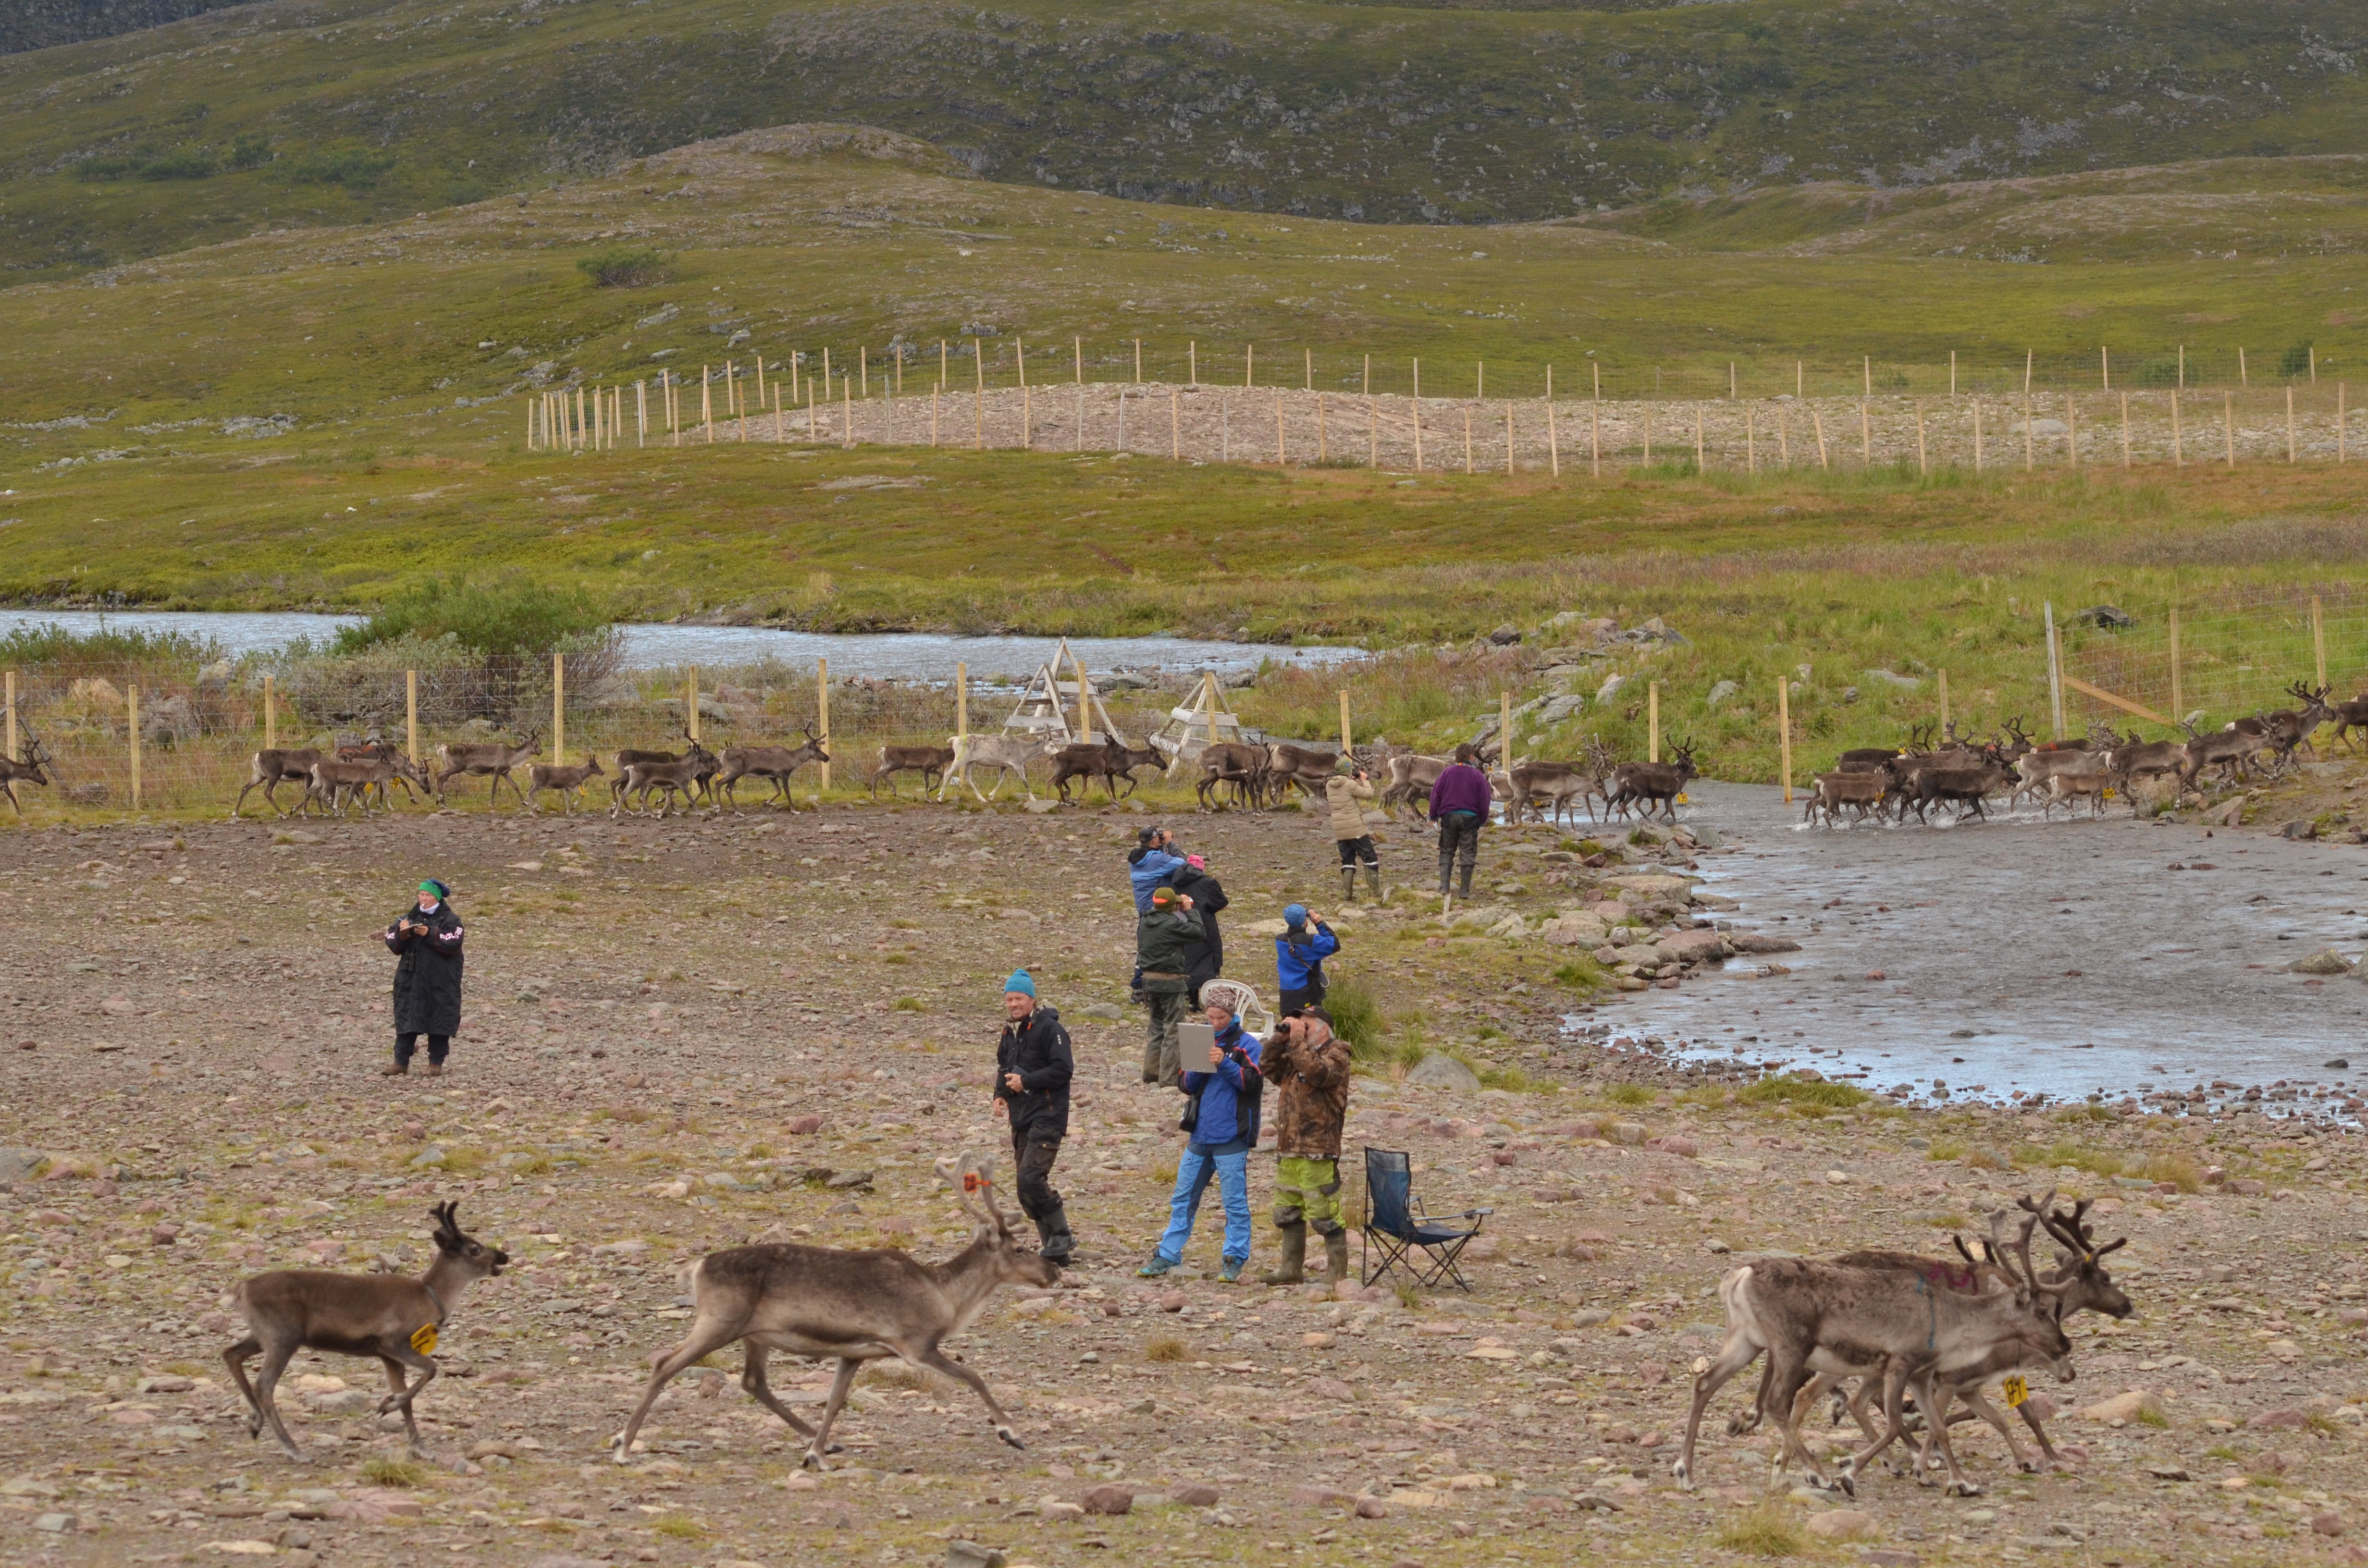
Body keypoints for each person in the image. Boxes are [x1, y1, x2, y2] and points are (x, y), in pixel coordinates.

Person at [1139, 986, 1262, 1282]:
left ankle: (1234, 1258)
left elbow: (1253, 1084)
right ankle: (1168, 1254)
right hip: (1200, 1134)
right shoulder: (1199, 1038)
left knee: (1234, 1202)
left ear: (1232, 1016)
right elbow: (1186, 1085)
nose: (1214, 1022)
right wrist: (1200, 1066)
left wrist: (1225, 1064)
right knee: (1183, 1198)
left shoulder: (1247, 1044)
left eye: (1220, 1017)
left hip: (1232, 1135)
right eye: (1210, 1016)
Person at [1256, 1004, 1355, 1286]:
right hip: (1289, 1146)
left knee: (1324, 1212)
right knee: (1287, 1210)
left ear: (1324, 1028)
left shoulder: (1338, 1054)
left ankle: (1338, 1276)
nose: (1301, 1029)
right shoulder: (1297, 1054)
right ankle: (1290, 1270)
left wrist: (1297, 1042)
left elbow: (1318, 1074)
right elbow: (1268, 1067)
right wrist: (1280, 1039)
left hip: (1318, 1148)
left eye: (1306, 1025)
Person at [993, 970, 1075, 1266]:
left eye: (1019, 998)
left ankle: (1062, 1236)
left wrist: (1026, 1082)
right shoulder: (1009, 1032)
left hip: (1048, 1115)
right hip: (1021, 1117)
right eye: (1009, 999)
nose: (1013, 1004)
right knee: (1024, 1188)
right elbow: (1005, 1067)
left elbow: (1063, 1070)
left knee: (1031, 1178)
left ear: (1032, 999)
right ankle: (1055, 1251)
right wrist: (1000, 1094)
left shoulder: (1050, 1029)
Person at [382, 879, 464, 1077]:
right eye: (421, 894)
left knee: (439, 1018)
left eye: (428, 895)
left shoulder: (451, 920)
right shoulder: (407, 918)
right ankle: (401, 1061)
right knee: (406, 1016)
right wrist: (403, 934)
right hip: (410, 978)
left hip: (441, 980)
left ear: (437, 897)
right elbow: (391, 940)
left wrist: (431, 933)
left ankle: (435, 1063)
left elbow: (453, 942)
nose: (423, 898)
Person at [1136, 883, 1202, 1087]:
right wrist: (1189, 910)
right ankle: (1169, 1078)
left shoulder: (1145, 922)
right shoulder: (1172, 925)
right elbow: (1199, 932)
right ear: (1172, 907)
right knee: (1173, 1030)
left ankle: (1151, 1072)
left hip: (1149, 981)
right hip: (1171, 983)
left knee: (1156, 1027)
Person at [1428, 744, 1493, 899]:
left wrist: (1433, 816)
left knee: (1446, 851)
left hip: (1449, 817)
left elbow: (1436, 795)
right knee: (1468, 853)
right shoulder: (1477, 776)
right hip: (1470, 819)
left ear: (1456, 757)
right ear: (1471, 757)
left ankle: (1444, 888)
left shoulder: (1447, 773)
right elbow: (1485, 801)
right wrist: (1482, 820)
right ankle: (1464, 891)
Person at [1166, 851, 1228, 1004]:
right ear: (1201, 868)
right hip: (1205, 925)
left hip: (1181, 925)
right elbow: (1221, 902)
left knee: (1187, 960)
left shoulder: (1174, 882)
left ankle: (1191, 999)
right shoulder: (1208, 883)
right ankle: (1207, 1000)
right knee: (1207, 959)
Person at [1325, 767, 1381, 902]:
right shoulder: (1350, 784)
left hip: (1339, 829)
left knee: (1348, 860)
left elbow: (1344, 789)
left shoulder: (1329, 785)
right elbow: (1369, 795)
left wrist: (1351, 779)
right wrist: (1364, 780)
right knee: (1370, 857)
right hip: (1355, 828)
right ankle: (1374, 892)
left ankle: (1347, 895)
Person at [1273, 904, 1339, 1017]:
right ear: (1305, 921)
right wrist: (1319, 923)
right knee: (1309, 1030)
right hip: (1306, 995)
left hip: (1286, 995)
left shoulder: (1280, 940)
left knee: (1289, 1029)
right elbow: (1334, 944)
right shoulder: (1311, 942)